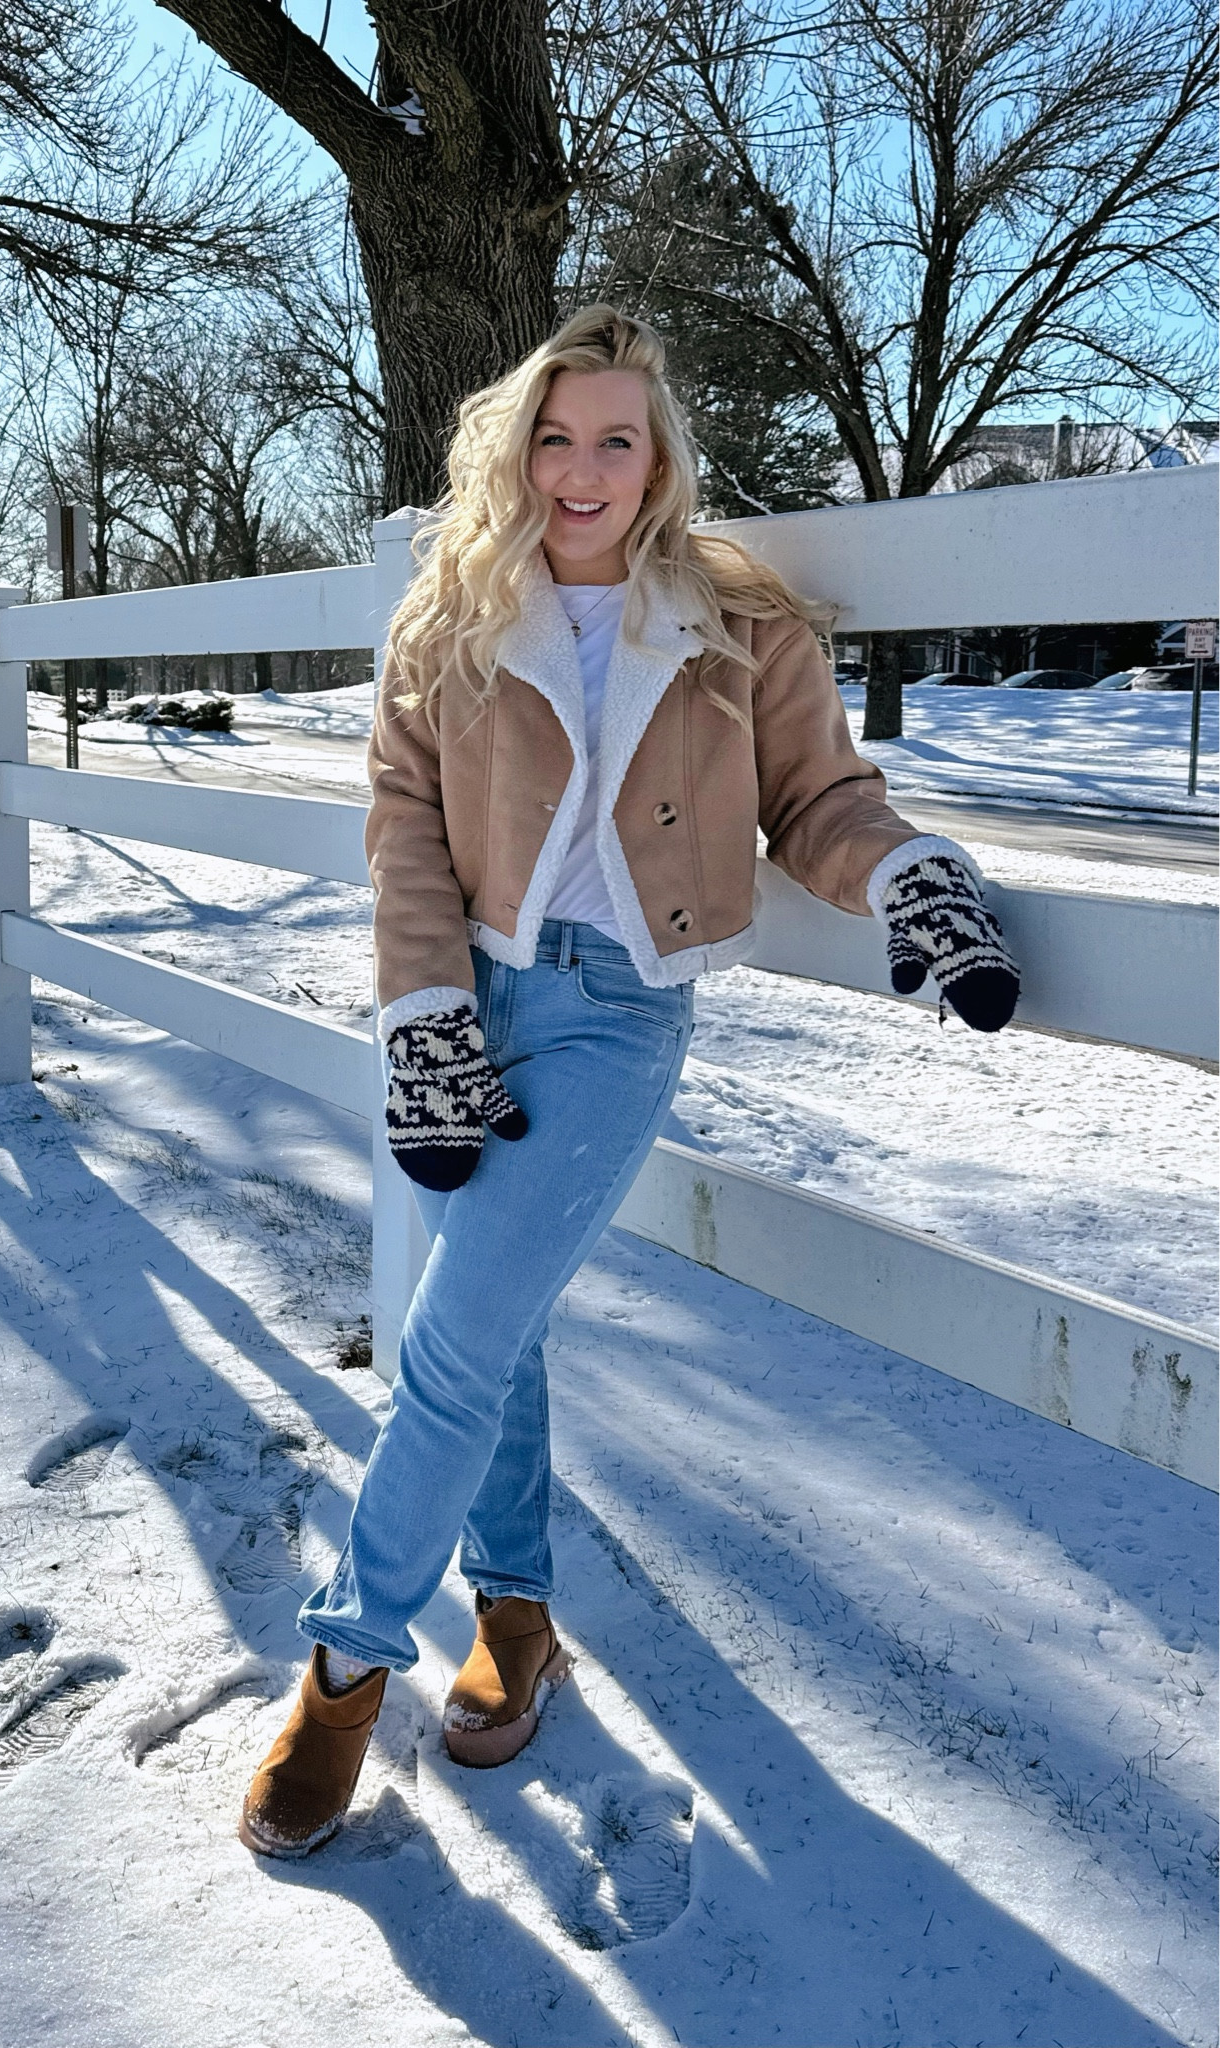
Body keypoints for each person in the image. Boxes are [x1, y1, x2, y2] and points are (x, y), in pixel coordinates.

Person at [239, 305, 1019, 1859]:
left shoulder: (734, 625)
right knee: (490, 1329)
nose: (581, 467)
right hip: (468, 1001)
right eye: (553, 433)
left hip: (614, 1016)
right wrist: (425, 1022)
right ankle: (514, 1619)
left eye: (615, 437)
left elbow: (820, 799)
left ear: (657, 458)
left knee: (448, 1343)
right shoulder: (447, 620)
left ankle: (342, 1670)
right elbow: (404, 838)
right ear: (509, 448)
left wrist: (909, 879)